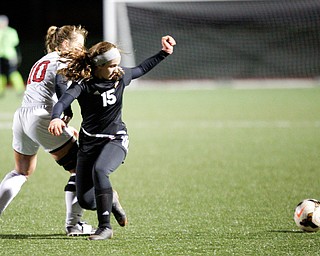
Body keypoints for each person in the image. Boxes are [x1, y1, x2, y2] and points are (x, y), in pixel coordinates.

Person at [0, 25, 126, 236]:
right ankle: (74, 225)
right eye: (78, 45)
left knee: (21, 171)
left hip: (22, 116)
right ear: (65, 44)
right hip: (42, 117)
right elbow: (60, 81)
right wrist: (63, 112)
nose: (82, 50)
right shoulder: (63, 58)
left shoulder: (43, 59)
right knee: (82, 170)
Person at [48, 35, 176, 240]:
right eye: (112, 65)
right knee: (87, 200)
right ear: (98, 66)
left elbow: (141, 69)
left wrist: (164, 53)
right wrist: (56, 118)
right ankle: (112, 199)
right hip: (89, 143)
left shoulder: (120, 77)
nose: (117, 69)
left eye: (118, 64)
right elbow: (62, 102)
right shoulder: (84, 84)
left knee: (100, 171)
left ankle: (105, 228)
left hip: (115, 139)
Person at [0, 15, 25, 96]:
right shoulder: (12, 31)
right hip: (2, 56)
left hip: (10, 56)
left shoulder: (11, 31)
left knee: (13, 73)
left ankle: (20, 89)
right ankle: (0, 91)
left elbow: (16, 46)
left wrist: (17, 56)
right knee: (1, 74)